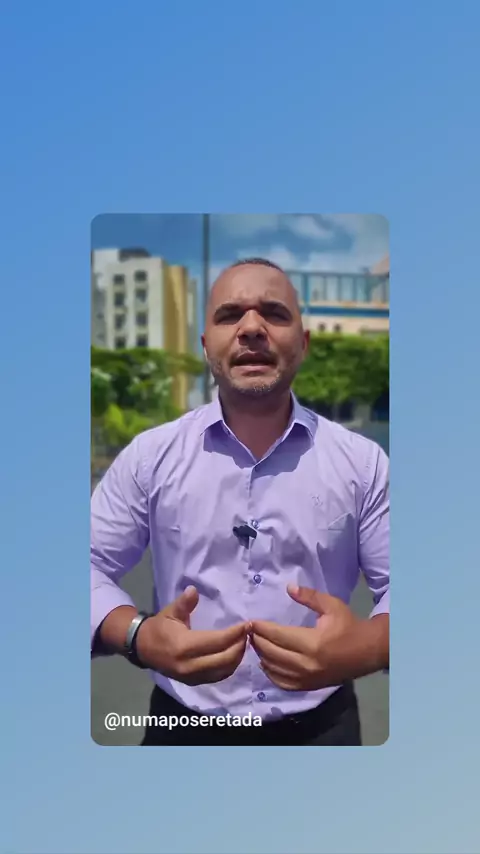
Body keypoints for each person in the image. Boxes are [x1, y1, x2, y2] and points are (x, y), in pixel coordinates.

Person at [91, 257, 389, 746]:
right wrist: (137, 635)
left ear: (304, 343)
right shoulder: (149, 457)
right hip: (182, 729)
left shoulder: (363, 463)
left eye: (274, 313)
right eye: (230, 315)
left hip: (324, 730)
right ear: (206, 345)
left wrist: (369, 646)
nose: (251, 328)